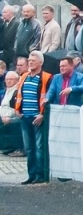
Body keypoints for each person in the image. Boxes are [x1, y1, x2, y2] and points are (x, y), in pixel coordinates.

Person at [11, 51, 47, 183]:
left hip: (37, 117)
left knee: (38, 147)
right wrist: (17, 109)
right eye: (30, 60)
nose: (31, 62)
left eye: (34, 60)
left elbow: (47, 97)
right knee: (29, 148)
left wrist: (42, 114)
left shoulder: (46, 77)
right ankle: (31, 175)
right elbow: (19, 95)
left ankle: (40, 175)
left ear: (40, 63)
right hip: (25, 117)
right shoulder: (24, 77)